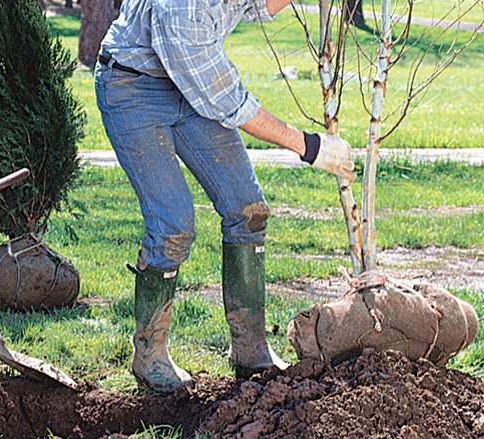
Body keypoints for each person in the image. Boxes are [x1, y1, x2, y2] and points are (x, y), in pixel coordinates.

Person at [95, 0, 355, 393]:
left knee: (248, 210)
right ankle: (150, 355)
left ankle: (251, 350)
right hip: (133, 88)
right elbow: (230, 103)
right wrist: (309, 146)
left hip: (187, 86)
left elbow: (258, 6)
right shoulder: (183, 10)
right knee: (173, 226)